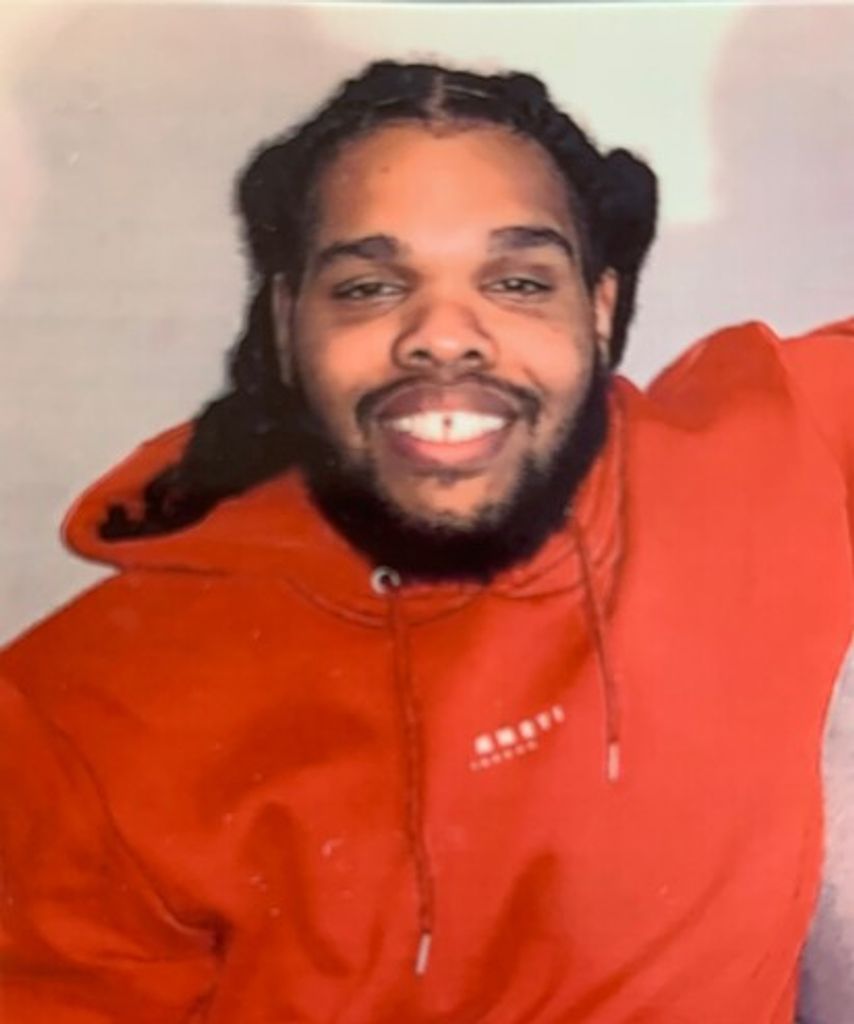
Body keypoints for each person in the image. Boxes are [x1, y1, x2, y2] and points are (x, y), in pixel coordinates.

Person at [1, 59, 852, 1024]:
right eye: (369, 287)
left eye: (518, 282)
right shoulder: (82, 712)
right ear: (286, 322)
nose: (444, 336)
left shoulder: (759, 455)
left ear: (601, 308)